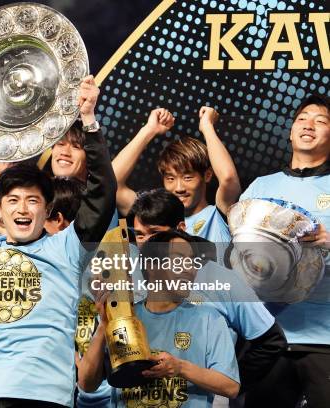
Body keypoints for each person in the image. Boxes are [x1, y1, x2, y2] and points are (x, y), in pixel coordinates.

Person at [0, 75, 116, 407]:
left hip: (47, 399)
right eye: (13, 201)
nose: (23, 208)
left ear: (46, 210)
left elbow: (102, 195)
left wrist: (89, 121)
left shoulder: (67, 249)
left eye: (33, 201)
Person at [127, 188, 286, 391]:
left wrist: (226, 382)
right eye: (140, 236)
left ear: (181, 228)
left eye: (156, 234)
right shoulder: (129, 278)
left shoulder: (222, 280)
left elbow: (271, 340)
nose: (148, 243)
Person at [78, 230, 240, 407]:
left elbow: (230, 387)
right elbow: (87, 384)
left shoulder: (209, 319)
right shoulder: (123, 318)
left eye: (192, 261)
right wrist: (104, 326)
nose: (189, 269)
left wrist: (180, 368)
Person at [238, 94, 330, 408]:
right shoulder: (261, 188)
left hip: (324, 340)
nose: (310, 125)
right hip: (269, 339)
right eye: (303, 118)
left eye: (321, 120)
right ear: (290, 132)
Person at [113, 107, 240, 242]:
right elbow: (111, 184)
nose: (179, 188)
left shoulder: (219, 214)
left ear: (207, 175)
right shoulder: (152, 214)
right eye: (170, 178)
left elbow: (228, 178)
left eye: (187, 177)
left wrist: (207, 127)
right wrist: (149, 130)